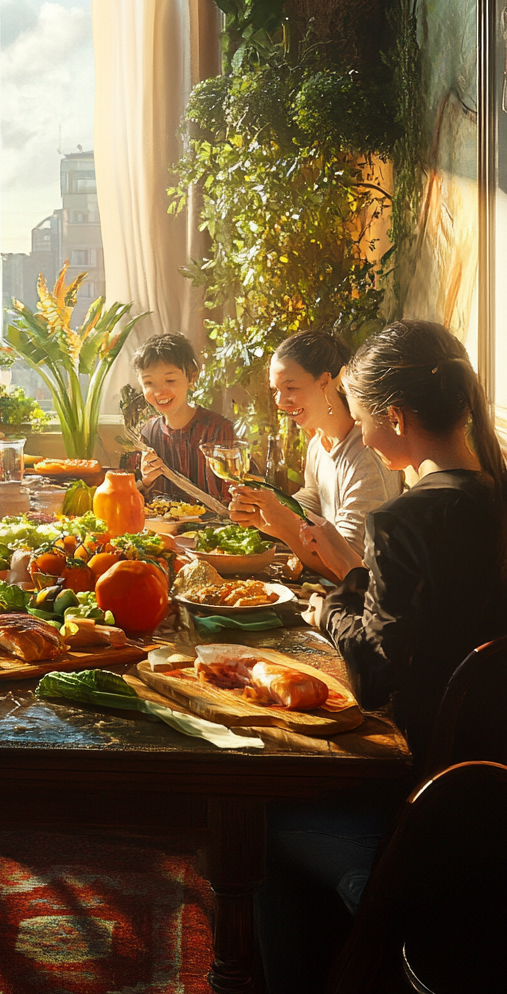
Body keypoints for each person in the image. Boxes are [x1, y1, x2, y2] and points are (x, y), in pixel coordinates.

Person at [255, 320, 507, 994]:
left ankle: (365, 912)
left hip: (426, 798)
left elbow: (373, 673)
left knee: (258, 816)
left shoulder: (405, 520)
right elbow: (438, 628)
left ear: (395, 418)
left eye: (365, 420)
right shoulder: (494, 497)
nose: (362, 435)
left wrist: (329, 606)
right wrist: (353, 583)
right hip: (492, 782)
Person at [229, 329, 400, 578]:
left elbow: (348, 569)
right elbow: (316, 498)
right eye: (276, 390)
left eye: (290, 387)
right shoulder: (318, 443)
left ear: (325, 381)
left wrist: (285, 525)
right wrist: (267, 505)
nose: (280, 401)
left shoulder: (366, 456)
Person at [133, 332, 237, 504]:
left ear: (191, 376)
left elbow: (242, 496)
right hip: (160, 530)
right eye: (149, 383)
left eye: (170, 380)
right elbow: (130, 498)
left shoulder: (220, 431)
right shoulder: (147, 434)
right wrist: (146, 480)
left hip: (213, 529)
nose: (160, 391)